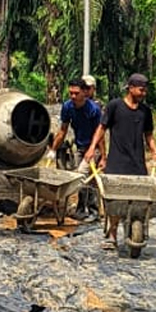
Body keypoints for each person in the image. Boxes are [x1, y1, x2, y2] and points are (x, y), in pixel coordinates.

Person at [83, 73, 156, 249]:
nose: (143, 93)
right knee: (115, 201)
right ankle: (112, 234)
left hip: (137, 164)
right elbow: (101, 128)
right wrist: (92, 148)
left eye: (145, 90)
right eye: (141, 89)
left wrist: (155, 152)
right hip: (117, 162)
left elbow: (148, 135)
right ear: (131, 88)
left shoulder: (145, 112)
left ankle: (135, 228)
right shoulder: (115, 107)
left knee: (138, 201)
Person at [49, 78, 103, 221]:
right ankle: (81, 209)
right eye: (71, 93)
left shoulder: (93, 109)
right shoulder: (67, 107)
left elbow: (100, 133)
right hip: (80, 147)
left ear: (84, 93)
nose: (73, 96)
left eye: (76, 93)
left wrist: (102, 155)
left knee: (83, 176)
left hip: (94, 147)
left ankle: (94, 211)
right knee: (80, 179)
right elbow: (63, 130)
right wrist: (53, 150)